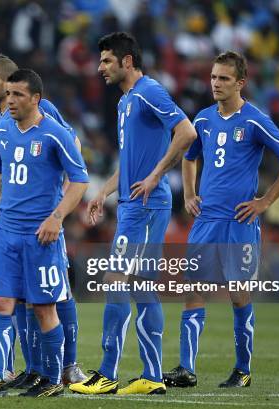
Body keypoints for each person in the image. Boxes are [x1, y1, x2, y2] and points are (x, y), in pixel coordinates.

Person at [0, 54, 86, 389]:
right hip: (7, 224)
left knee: (54, 298)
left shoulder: (46, 114)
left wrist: (58, 209)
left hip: (43, 225)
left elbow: (74, 157)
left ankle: (66, 367)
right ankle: (15, 370)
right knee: (12, 300)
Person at [163, 51, 279, 388]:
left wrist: (264, 201)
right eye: (213, 77)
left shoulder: (254, 120)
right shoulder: (203, 120)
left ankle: (243, 370)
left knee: (239, 294)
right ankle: (186, 368)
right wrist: (190, 194)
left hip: (239, 223)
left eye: (224, 78)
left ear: (240, 82)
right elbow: (189, 156)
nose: (216, 83)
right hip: (206, 220)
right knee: (194, 291)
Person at [69, 32, 197, 395]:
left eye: (106, 60)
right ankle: (152, 376)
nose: (100, 67)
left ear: (127, 61)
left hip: (146, 205)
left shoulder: (150, 91)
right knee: (141, 288)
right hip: (130, 204)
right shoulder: (126, 101)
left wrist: (155, 176)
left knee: (116, 280)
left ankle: (108, 374)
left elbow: (186, 133)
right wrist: (103, 193)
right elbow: (129, 162)